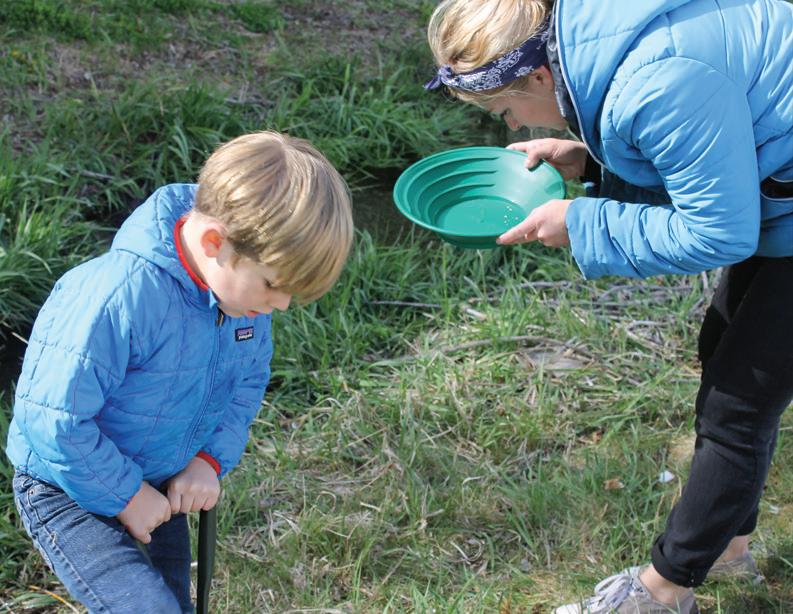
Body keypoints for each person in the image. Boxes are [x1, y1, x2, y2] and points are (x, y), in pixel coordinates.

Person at [426, 0, 793, 612]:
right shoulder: (603, 41)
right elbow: (705, 149)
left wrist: (584, 222)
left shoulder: (657, 82)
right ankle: (728, 549)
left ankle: (662, 591)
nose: (512, 125)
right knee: (724, 354)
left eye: (505, 110)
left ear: (539, 75)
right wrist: (591, 162)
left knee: (739, 399)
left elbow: (719, 232)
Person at [6, 130, 354, 613]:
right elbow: (54, 419)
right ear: (215, 242)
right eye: (273, 285)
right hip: (66, 486)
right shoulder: (117, 297)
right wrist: (127, 496)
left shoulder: (241, 303)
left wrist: (207, 461)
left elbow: (245, 384)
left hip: (158, 482)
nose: (282, 304)